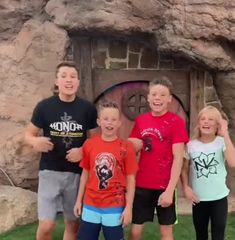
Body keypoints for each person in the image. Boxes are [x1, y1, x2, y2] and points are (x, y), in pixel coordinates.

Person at [25, 61, 98, 240]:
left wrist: (83, 150)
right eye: (64, 76)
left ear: (78, 82)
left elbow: (96, 140)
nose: (68, 80)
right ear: (56, 81)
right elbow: (28, 134)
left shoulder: (87, 108)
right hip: (49, 171)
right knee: (47, 224)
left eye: (73, 76)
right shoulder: (44, 107)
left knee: (73, 223)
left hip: (76, 174)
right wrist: (35, 141)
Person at [128, 76, 189, 240]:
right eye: (154, 94)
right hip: (142, 184)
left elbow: (178, 158)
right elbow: (132, 150)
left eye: (162, 95)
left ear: (169, 99)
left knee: (166, 232)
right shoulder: (141, 121)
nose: (157, 98)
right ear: (148, 97)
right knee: (135, 231)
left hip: (164, 185)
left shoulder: (176, 122)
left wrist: (170, 190)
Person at [74, 101, 138, 240]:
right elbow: (85, 174)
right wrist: (79, 200)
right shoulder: (90, 144)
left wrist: (129, 208)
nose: (110, 123)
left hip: (114, 206)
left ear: (119, 123)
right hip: (91, 204)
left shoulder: (126, 147)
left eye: (114, 119)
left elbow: (131, 179)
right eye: (106, 119)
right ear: (99, 121)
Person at [181, 106, 235, 240]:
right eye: (203, 119)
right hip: (198, 200)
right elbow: (184, 168)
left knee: (218, 235)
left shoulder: (222, 142)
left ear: (217, 125)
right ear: (198, 124)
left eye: (211, 119)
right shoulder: (191, 145)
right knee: (201, 235)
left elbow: (232, 162)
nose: (206, 122)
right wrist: (186, 187)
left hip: (219, 198)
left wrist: (225, 133)